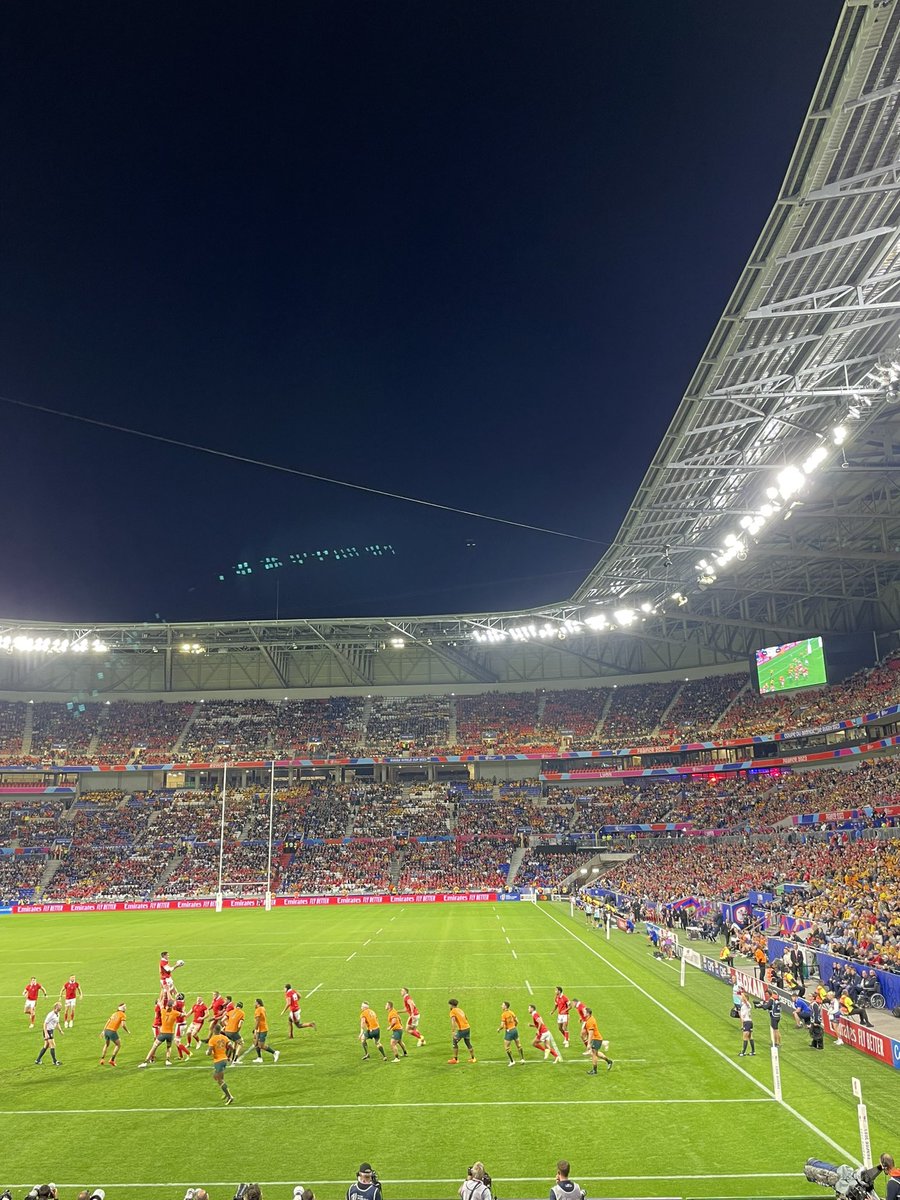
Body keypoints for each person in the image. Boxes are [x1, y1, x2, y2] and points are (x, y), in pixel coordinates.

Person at [138, 999, 179, 1067]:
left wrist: (163, 991)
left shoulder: (163, 1011)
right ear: (172, 1006)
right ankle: (167, 1060)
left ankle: (145, 1062)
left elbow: (160, 1004)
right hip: (170, 1034)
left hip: (163, 1033)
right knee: (168, 1047)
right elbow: (184, 1015)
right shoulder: (175, 1013)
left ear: (167, 1006)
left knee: (154, 1046)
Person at [205, 1020, 235, 1105]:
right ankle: (225, 1092)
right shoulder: (224, 1037)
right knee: (216, 1076)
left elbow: (209, 1052)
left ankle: (230, 1096)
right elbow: (231, 1047)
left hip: (218, 1061)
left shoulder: (212, 1039)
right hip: (224, 1059)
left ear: (214, 1030)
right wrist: (229, 1056)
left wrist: (207, 1052)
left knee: (219, 1079)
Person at [584, 1006, 612, 1075]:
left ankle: (594, 1070)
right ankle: (609, 1061)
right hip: (596, 1038)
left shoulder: (590, 1021)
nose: (583, 1013)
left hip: (596, 1039)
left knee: (594, 1054)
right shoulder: (590, 1019)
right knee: (595, 1053)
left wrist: (588, 1043)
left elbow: (591, 1033)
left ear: (588, 1013)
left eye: (585, 1012)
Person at [448, 998, 476, 1064]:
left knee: (454, 1042)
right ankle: (473, 1058)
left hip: (462, 1029)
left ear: (451, 1005)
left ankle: (455, 1059)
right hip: (467, 1028)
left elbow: (453, 1021)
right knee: (468, 1043)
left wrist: (453, 1031)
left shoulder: (452, 1011)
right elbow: (466, 1018)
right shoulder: (460, 1010)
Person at [252, 998, 280, 1063]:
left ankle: (275, 1052)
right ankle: (259, 1058)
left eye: (255, 1002)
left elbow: (257, 1020)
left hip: (262, 1029)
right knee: (255, 1043)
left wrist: (255, 1029)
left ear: (258, 1003)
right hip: (261, 1028)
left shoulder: (258, 1010)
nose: (254, 1003)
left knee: (261, 1045)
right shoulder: (262, 1008)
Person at [498, 1000, 526, 1065]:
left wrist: (499, 1029)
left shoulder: (503, 1014)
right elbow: (517, 1021)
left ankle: (512, 1061)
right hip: (514, 1030)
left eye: (502, 1005)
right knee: (519, 1045)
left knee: (507, 1047)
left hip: (509, 1032)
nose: (501, 1006)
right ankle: (522, 1059)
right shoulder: (511, 1012)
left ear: (505, 1006)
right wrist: (514, 1026)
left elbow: (502, 1026)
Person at [35, 1002, 62, 1066]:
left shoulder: (58, 1014)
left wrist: (60, 1030)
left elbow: (57, 1023)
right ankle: (54, 1061)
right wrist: (46, 1033)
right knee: (52, 1045)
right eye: (60, 1006)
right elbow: (45, 1024)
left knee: (46, 1046)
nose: (61, 1007)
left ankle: (38, 1060)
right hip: (47, 1031)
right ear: (56, 1007)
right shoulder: (51, 1015)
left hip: (51, 1031)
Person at [738, 992, 755, 1058]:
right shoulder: (743, 1005)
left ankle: (743, 1052)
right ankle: (753, 1051)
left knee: (745, 1037)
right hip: (748, 1022)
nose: (741, 998)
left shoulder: (748, 1004)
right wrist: (742, 1025)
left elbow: (745, 999)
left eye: (742, 997)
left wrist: (742, 992)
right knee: (750, 1037)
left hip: (747, 1022)